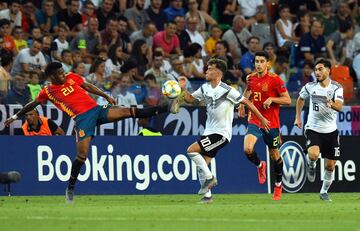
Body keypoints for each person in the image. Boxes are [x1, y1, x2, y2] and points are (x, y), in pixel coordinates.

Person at [4, 62, 179, 203]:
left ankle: (167, 107)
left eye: (63, 72)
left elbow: (87, 86)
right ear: (52, 76)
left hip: (96, 109)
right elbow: (32, 104)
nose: (63, 75)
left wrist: (104, 95)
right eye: (59, 74)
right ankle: (70, 188)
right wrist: (15, 116)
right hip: (82, 119)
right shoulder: (48, 91)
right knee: (82, 155)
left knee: (129, 112)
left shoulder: (72, 77)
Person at [179, 58, 270, 203]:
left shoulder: (227, 90)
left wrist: (261, 119)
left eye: (210, 69)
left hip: (221, 134)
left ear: (218, 72)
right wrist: (182, 89)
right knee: (202, 164)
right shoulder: (205, 88)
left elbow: (247, 102)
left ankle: (210, 179)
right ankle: (208, 196)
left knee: (191, 150)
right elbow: (189, 99)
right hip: (208, 131)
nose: (206, 71)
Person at [238, 51, 291, 201]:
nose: (259, 64)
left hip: (270, 123)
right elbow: (248, 90)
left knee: (275, 155)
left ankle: (278, 185)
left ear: (268, 63)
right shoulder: (251, 78)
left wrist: (272, 99)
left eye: (262, 61)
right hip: (255, 119)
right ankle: (260, 166)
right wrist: (243, 105)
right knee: (247, 149)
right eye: (256, 61)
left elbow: (287, 100)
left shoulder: (276, 80)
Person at [294, 59, 343, 202]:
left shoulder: (336, 88)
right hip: (313, 128)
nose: (317, 72)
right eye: (316, 70)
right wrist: (298, 117)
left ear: (328, 71)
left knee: (330, 165)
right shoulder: (310, 87)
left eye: (320, 69)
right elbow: (300, 99)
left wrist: (331, 104)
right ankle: (311, 164)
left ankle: (324, 192)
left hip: (331, 131)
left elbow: (339, 107)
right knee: (314, 154)